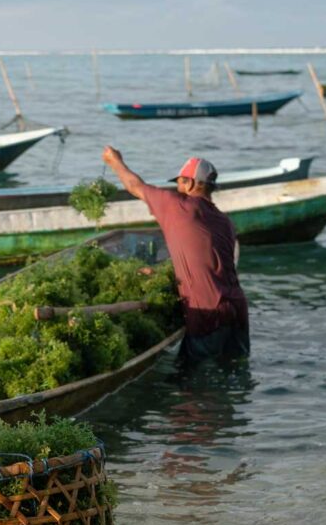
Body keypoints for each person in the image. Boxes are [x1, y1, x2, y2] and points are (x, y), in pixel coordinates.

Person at [102, 147, 249, 363]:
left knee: (191, 385)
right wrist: (164, 272)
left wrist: (115, 162)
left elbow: (135, 186)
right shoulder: (225, 221)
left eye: (179, 182)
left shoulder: (178, 206)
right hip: (237, 308)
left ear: (190, 183)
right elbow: (203, 257)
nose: (177, 188)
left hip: (207, 312)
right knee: (235, 369)